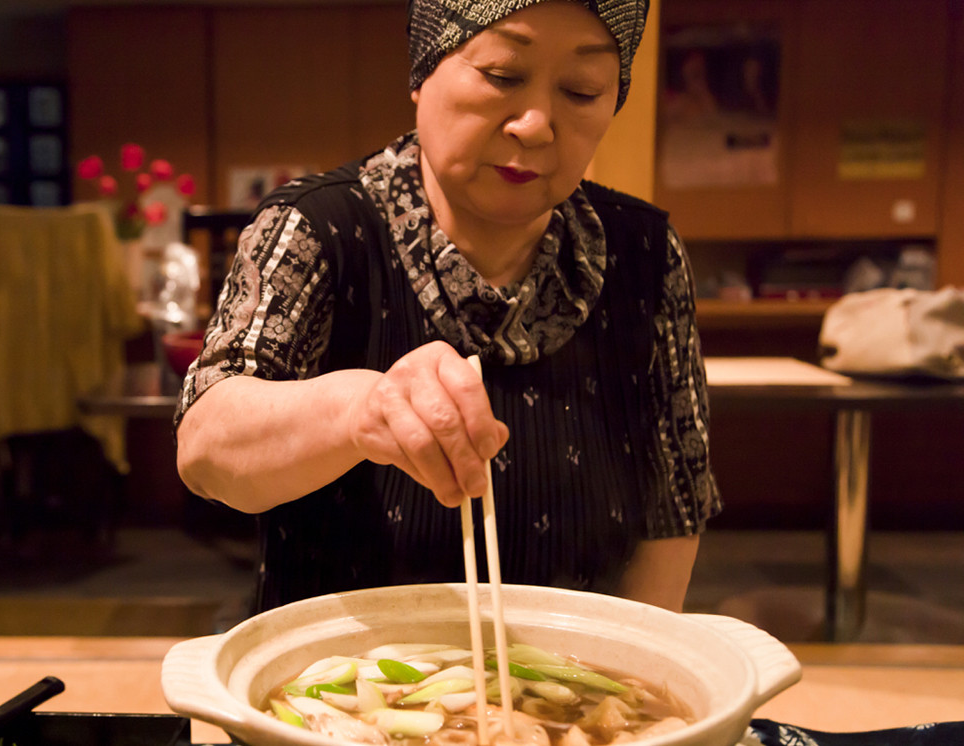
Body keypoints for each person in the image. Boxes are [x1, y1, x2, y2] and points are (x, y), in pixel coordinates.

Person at [175, 0, 720, 616]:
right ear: (423, 71)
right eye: (503, 75)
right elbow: (205, 447)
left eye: (582, 89)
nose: (536, 124)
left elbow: (673, 498)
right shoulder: (321, 229)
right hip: (336, 690)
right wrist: (362, 408)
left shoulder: (642, 250)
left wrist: (631, 683)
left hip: (576, 687)